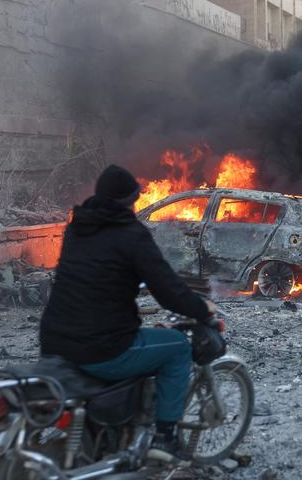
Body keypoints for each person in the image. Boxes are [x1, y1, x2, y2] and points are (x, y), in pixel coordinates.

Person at [40, 164, 215, 463]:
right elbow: (168, 289)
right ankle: (165, 437)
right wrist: (202, 309)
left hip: (54, 341)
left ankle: (107, 434)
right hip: (103, 346)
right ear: (129, 201)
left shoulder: (76, 228)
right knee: (177, 349)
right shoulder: (132, 235)